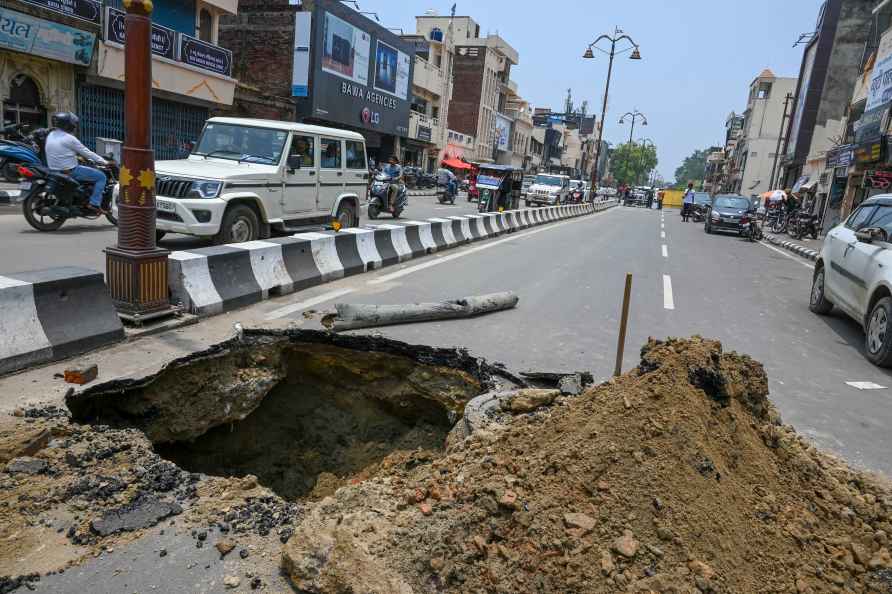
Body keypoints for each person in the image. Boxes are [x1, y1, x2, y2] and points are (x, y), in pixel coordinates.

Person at [45, 112, 109, 214]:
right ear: (68, 124)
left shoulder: (51, 135)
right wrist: (105, 162)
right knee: (101, 176)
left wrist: (76, 157)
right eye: (73, 123)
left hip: (54, 169)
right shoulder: (69, 138)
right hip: (69, 171)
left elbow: (61, 151)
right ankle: (94, 203)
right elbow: (87, 152)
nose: (74, 126)